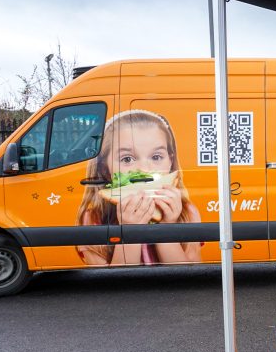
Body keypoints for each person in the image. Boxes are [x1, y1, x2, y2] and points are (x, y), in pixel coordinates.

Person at [76, 109, 201, 265]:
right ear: (104, 168)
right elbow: (112, 287)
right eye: (127, 159)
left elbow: (188, 280)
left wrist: (166, 228)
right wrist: (129, 231)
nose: (144, 170)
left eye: (156, 157)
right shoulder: (93, 219)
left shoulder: (186, 213)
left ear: (170, 161)